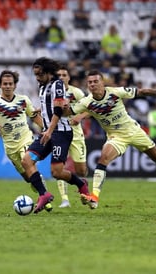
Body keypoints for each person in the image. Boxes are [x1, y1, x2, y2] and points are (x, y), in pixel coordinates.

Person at [66, 70, 156, 209]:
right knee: (103, 159)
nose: (92, 84)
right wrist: (55, 105)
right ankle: (94, 196)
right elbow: (69, 111)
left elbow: (143, 92)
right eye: (90, 82)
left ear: (102, 82)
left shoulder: (115, 92)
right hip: (116, 137)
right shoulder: (86, 102)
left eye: (96, 81)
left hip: (134, 131)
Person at [21, 57, 89, 214]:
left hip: (60, 133)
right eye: (35, 74)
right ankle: (44, 194)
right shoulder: (42, 87)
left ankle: (81, 184)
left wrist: (49, 131)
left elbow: (58, 110)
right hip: (48, 131)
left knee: (56, 172)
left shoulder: (57, 84)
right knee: (26, 161)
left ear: (48, 72)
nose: (37, 77)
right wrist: (42, 110)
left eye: (39, 74)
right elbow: (50, 106)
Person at [0, 70, 52, 211]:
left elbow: (34, 116)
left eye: (10, 84)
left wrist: (46, 129)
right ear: (0, 85)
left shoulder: (23, 100)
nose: (7, 86)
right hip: (10, 146)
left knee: (28, 162)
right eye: (5, 84)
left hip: (26, 139)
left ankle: (45, 197)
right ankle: (42, 191)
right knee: (28, 177)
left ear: (15, 85)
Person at [55, 66, 88, 208]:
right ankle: (65, 199)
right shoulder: (52, 92)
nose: (61, 77)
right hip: (59, 133)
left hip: (75, 133)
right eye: (59, 75)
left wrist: (80, 117)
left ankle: (82, 184)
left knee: (81, 170)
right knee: (58, 167)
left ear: (69, 78)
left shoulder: (77, 92)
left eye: (64, 75)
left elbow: (91, 107)